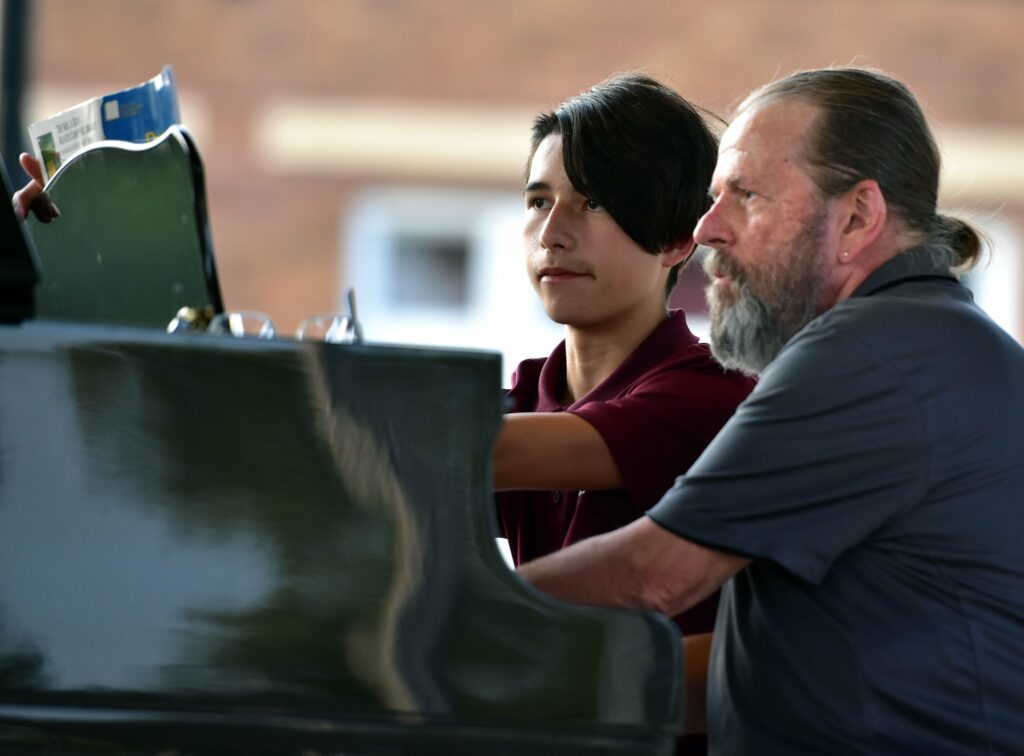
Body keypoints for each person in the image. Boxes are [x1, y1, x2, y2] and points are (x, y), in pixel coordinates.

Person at [519, 67, 1024, 754]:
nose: (706, 229)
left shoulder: (869, 355)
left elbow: (653, 576)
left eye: (745, 196)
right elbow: (756, 678)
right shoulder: (926, 340)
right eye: (712, 196)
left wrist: (415, 619)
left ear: (856, 218)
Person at [491, 74, 754, 750]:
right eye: (538, 200)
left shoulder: (709, 395)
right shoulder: (528, 392)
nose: (552, 233)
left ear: (675, 240)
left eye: (594, 204)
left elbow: (467, 452)